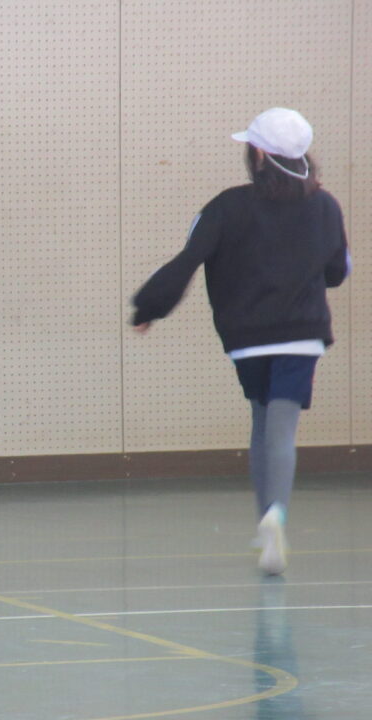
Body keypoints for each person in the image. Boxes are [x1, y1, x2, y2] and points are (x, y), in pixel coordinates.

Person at [131, 108, 350, 575]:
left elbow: (188, 260)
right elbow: (337, 272)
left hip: (248, 339)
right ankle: (277, 515)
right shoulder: (326, 206)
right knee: (283, 430)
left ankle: (264, 516)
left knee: (261, 421)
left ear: (258, 155)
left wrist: (150, 306)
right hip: (303, 335)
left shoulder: (226, 206)